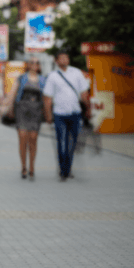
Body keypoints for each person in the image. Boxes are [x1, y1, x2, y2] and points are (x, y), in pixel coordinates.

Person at [43, 51, 90, 182]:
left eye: (66, 57)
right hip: (59, 114)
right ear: (57, 61)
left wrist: (88, 109)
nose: (65, 59)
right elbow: (47, 97)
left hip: (75, 113)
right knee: (61, 142)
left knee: (72, 143)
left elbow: (84, 93)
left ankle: (67, 168)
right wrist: (48, 115)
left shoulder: (77, 73)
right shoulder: (52, 76)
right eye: (62, 58)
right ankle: (63, 170)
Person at [5, 57, 46, 181]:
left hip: (36, 111)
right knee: (22, 138)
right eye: (32, 62)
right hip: (22, 110)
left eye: (37, 62)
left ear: (39, 66)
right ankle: (24, 166)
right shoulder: (21, 78)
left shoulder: (43, 80)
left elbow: (47, 96)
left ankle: (32, 167)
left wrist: (48, 112)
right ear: (28, 65)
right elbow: (13, 93)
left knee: (33, 139)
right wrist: (8, 107)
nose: (35, 64)